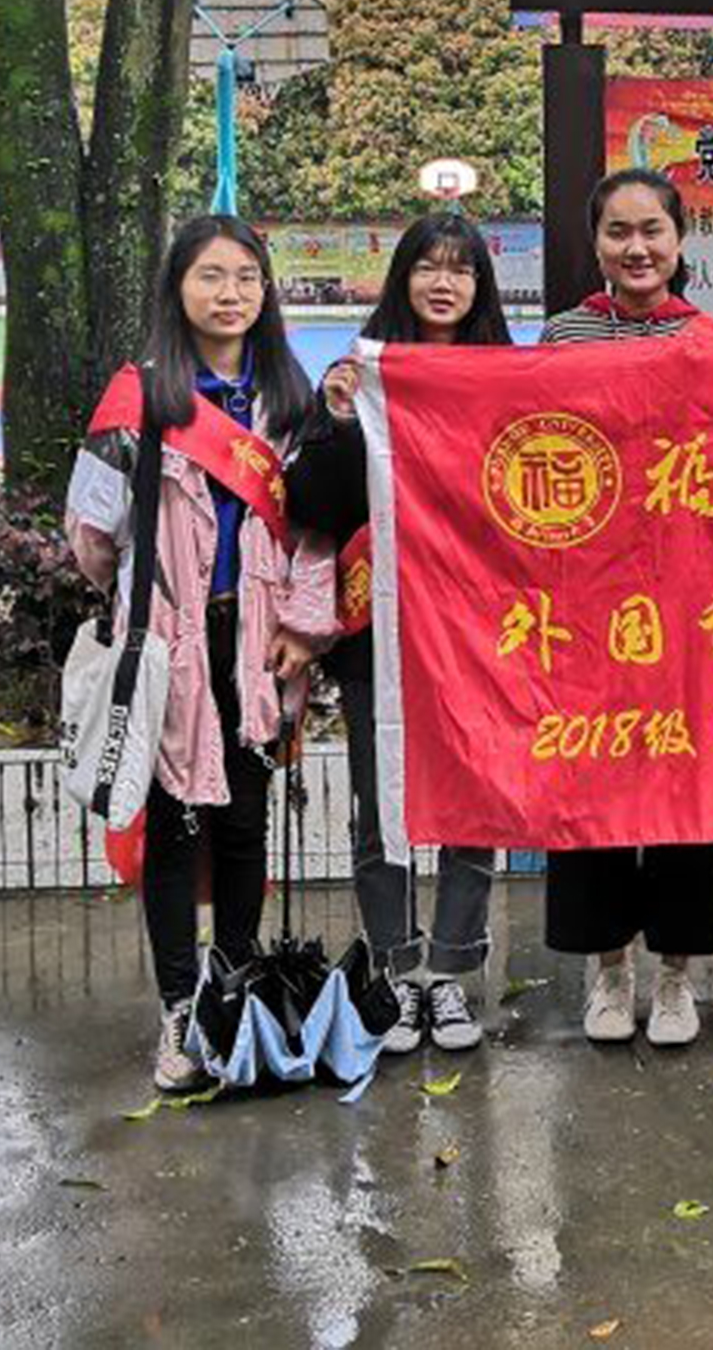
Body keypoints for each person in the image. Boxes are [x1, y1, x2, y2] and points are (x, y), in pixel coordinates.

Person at [63, 215, 331, 1093]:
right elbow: (91, 531)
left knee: (247, 823)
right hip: (170, 642)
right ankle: (181, 1009)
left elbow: (316, 533)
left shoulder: (289, 400)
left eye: (247, 277)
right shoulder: (137, 398)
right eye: (211, 276)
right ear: (177, 288)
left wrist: (304, 626)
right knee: (174, 827)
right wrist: (151, 597)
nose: (231, 294)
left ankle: (237, 995)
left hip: (260, 639)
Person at [285, 211, 508, 1056]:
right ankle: (395, 971)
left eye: (462, 269)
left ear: (482, 286)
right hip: (379, 628)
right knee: (381, 803)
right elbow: (313, 504)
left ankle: (448, 975)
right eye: (428, 266)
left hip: (479, 629)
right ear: (402, 278)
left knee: (472, 800)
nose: (444, 283)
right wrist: (343, 423)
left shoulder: (507, 378)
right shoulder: (358, 374)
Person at [539, 168, 713, 1045]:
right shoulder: (562, 336)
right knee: (594, 779)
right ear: (596, 244)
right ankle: (609, 971)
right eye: (618, 231)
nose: (637, 248)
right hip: (589, 600)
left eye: (652, 229)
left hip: (691, 601)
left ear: (680, 240)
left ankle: (677, 977)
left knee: (690, 787)